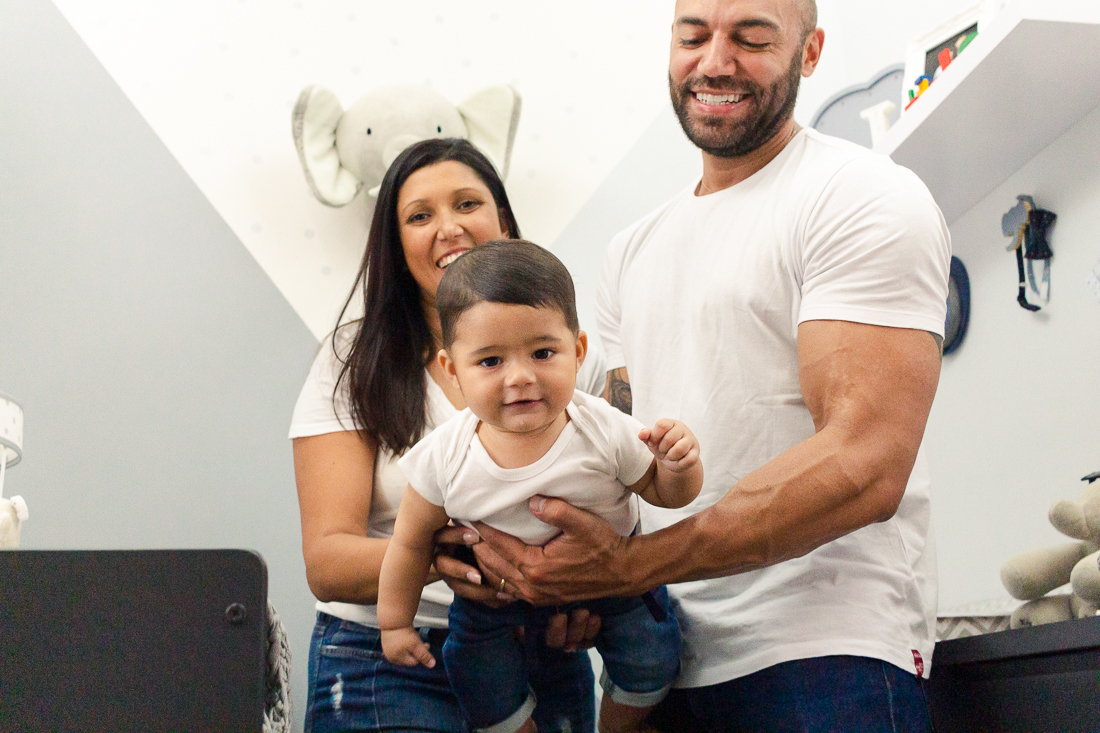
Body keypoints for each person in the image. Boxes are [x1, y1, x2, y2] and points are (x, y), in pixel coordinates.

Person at [463, 1, 952, 731]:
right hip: (666, 661)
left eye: (751, 38)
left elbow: (865, 464)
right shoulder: (631, 251)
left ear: (810, 52)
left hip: (824, 653)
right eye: (693, 36)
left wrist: (627, 568)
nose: (715, 62)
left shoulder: (861, 196)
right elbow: (620, 461)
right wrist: (559, 579)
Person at [289, 139, 608, 733]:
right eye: (420, 216)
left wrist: (588, 597)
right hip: (385, 658)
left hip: (536, 652)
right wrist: (448, 560)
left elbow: (617, 512)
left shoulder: (572, 361)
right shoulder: (352, 360)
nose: (448, 228)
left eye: (467, 204)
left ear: (503, 221)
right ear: (395, 244)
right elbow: (328, 562)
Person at [376, 240, 701, 733]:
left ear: (578, 352)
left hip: (612, 582)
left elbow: (665, 493)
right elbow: (409, 542)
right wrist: (395, 622)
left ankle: (617, 725)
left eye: (543, 353)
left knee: (654, 649)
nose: (521, 377)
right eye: (490, 361)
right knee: (475, 672)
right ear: (453, 371)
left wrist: (678, 465)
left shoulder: (602, 427)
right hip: (495, 603)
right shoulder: (445, 456)